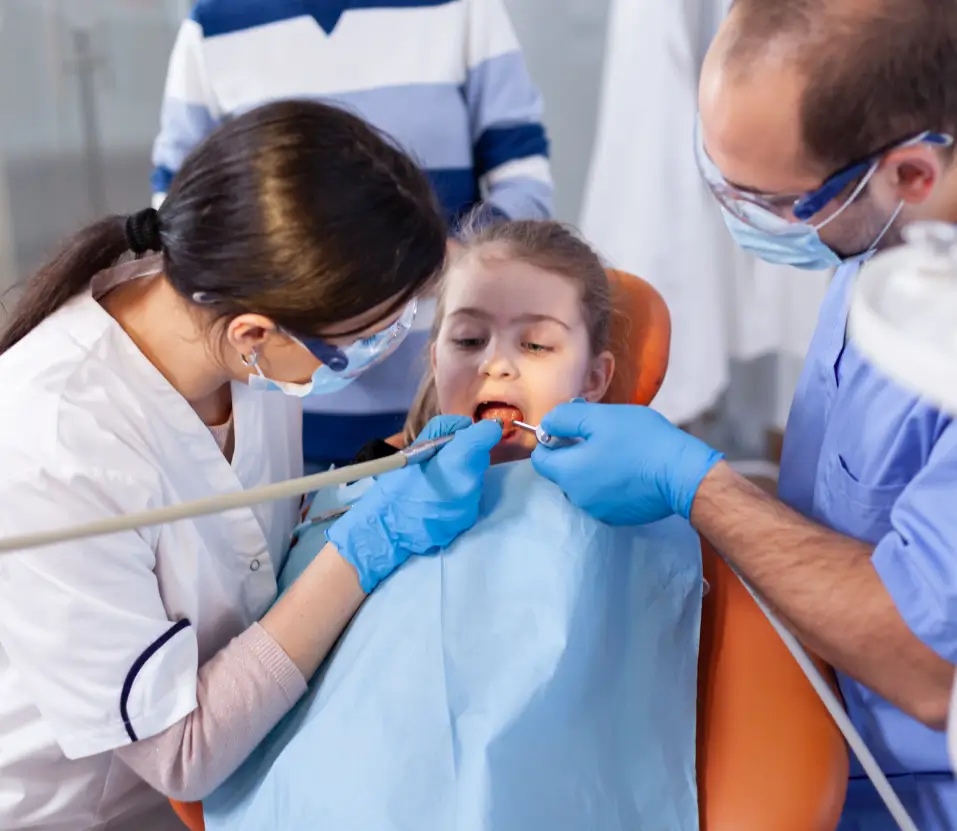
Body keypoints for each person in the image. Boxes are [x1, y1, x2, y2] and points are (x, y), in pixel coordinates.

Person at [0, 99, 502, 831]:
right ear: (254, 335)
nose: (385, 351)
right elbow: (183, 754)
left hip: (246, 779)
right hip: (77, 811)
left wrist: (360, 489)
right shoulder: (55, 442)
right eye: (367, 339)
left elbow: (242, 549)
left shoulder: (241, 329)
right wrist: (359, 551)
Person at [530, 1, 957, 828]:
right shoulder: (886, 239)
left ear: (909, 175)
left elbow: (925, 661)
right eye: (716, 176)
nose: (737, 217)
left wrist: (699, 487)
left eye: (770, 201)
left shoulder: (926, 321)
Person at [199, 219, 702, 830]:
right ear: (435, 358)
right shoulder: (358, 491)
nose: (497, 365)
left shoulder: (629, 512)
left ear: (595, 378)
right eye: (468, 340)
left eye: (535, 345)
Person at [151, 0, 554, 469]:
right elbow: (180, 215)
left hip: (441, 385)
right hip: (284, 395)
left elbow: (525, 181)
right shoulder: (214, 24)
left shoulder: (462, 10)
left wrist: (444, 262)